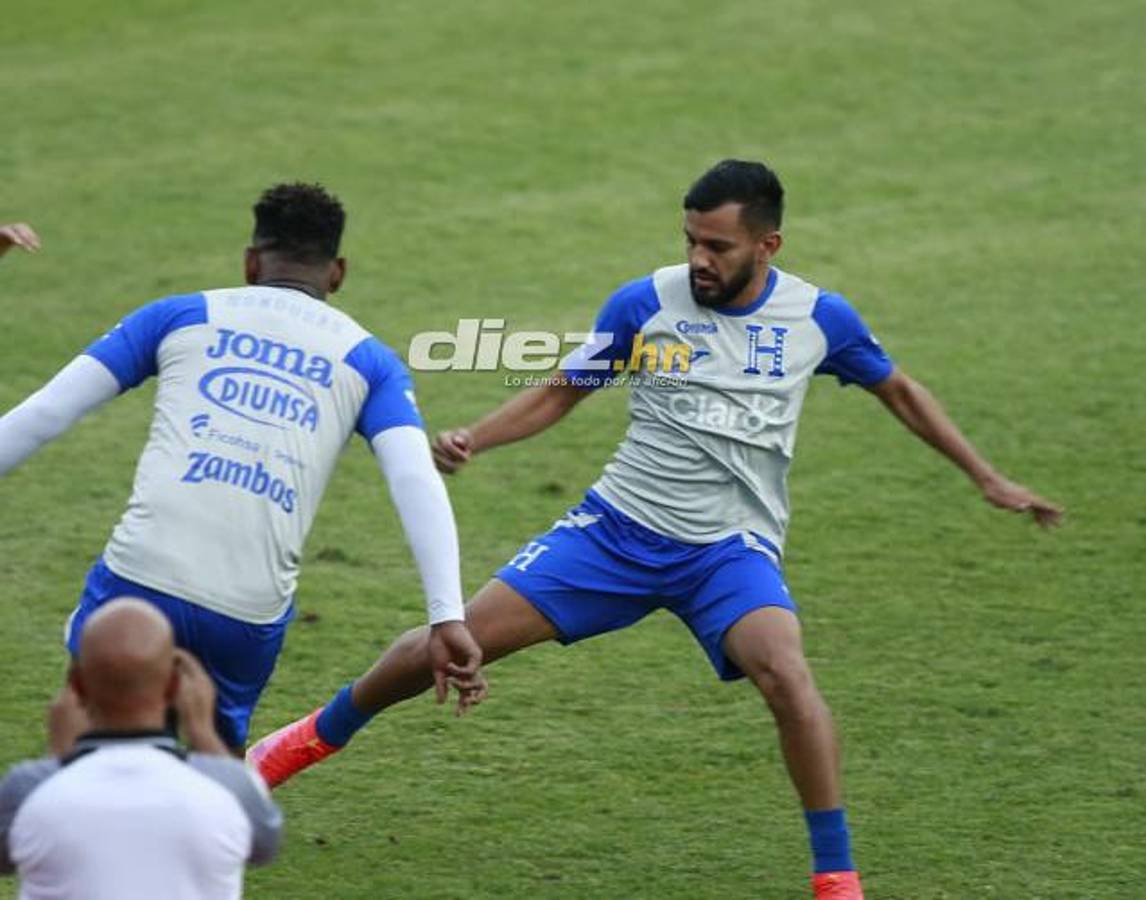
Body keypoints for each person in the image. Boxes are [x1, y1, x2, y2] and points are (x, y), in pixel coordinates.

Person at [247, 161, 1063, 899]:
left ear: (767, 245)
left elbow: (901, 391)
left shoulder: (820, 319)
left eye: (718, 245)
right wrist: (476, 436)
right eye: (690, 240)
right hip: (612, 534)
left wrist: (986, 476)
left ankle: (836, 877)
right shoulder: (648, 303)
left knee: (785, 674)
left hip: (727, 553)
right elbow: (564, 389)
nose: (699, 259)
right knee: (446, 638)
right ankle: (296, 745)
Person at [0, 184, 483, 752]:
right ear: (338, 273)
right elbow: (414, 479)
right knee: (215, 773)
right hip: (245, 608)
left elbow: (43, 416)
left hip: (140, 577)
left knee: (87, 740)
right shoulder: (370, 361)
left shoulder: (178, 315)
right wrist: (447, 612)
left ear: (251, 263)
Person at [0, 598, 282, 899]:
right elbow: (265, 843)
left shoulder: (27, 789)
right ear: (175, 687)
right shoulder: (229, 787)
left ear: (77, 686)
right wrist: (202, 732)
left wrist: (60, 756)